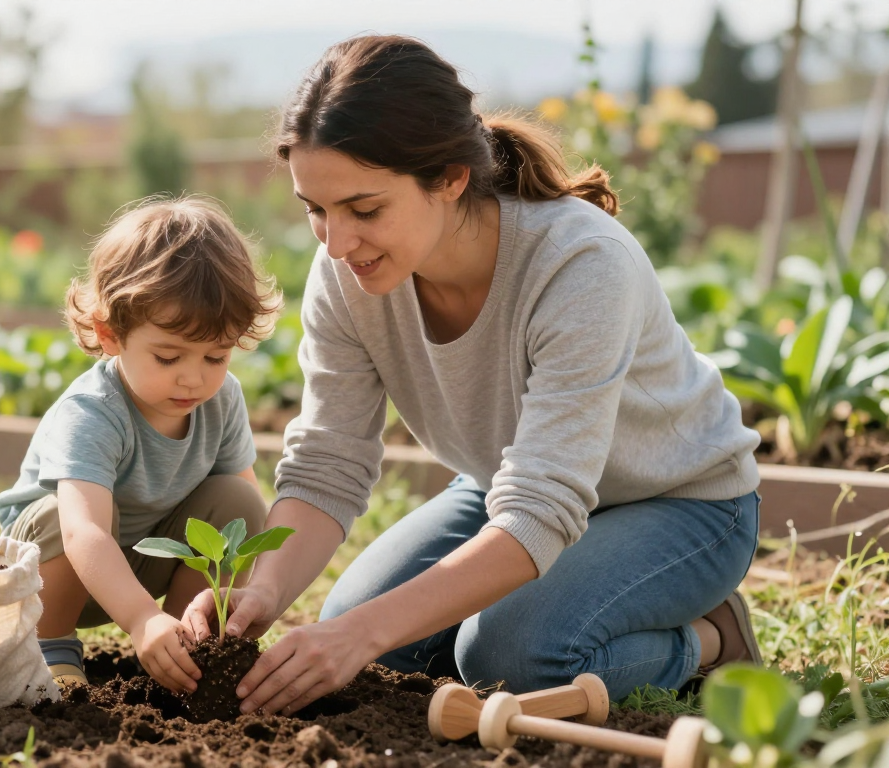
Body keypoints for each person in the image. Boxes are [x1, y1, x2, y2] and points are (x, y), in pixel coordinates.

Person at [183, 35, 762, 716]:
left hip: (680, 504)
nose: (337, 244)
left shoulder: (580, 265)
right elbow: (327, 465)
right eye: (316, 209)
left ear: (451, 178)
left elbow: (540, 511)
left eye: (364, 210)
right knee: (371, 636)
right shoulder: (345, 274)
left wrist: (359, 633)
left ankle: (710, 640)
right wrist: (264, 590)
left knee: (506, 655)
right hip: (504, 489)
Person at [0, 196, 281, 693]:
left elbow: (242, 503)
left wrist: (247, 590)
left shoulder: (222, 400)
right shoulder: (93, 410)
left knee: (238, 504)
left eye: (216, 356)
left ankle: (187, 642)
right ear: (110, 335)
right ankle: (48, 649)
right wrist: (139, 617)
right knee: (61, 514)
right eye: (169, 357)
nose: (194, 378)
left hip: (142, 563)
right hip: (47, 573)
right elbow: (84, 533)